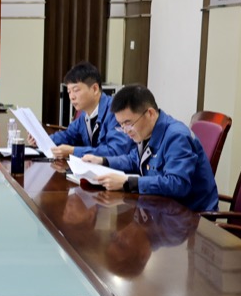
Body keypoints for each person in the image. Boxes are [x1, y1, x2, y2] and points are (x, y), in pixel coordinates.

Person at [83, 85, 219, 212]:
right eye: (121, 125)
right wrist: (103, 161)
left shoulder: (176, 137)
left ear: (150, 113)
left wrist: (127, 182)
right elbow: (134, 160)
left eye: (128, 123)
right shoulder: (146, 132)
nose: (125, 131)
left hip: (191, 219)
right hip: (162, 210)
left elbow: (177, 184)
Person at [33, 61, 133, 160]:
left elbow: (116, 151)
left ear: (95, 89)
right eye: (69, 92)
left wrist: (73, 151)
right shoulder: (84, 114)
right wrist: (41, 140)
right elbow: (68, 135)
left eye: (76, 90)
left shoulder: (115, 111)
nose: (72, 97)